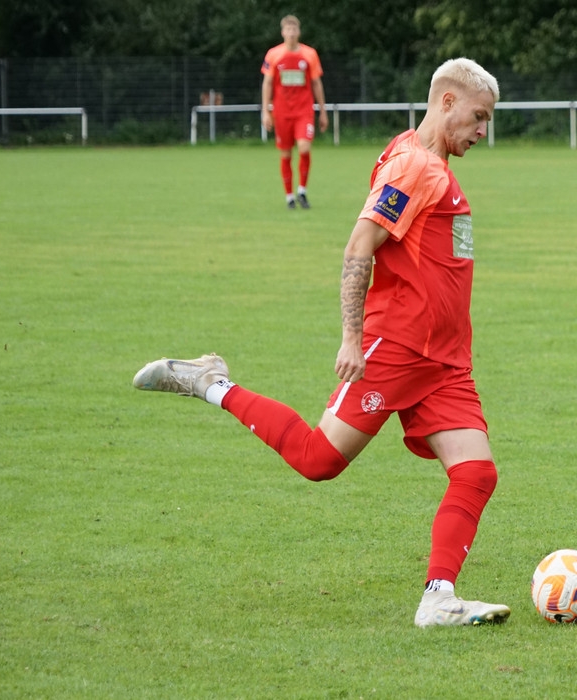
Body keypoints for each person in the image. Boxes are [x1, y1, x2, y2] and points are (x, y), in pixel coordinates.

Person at [134, 58, 506, 628]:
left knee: (476, 472)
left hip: (445, 361)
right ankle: (209, 381)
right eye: (479, 117)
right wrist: (353, 338)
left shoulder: (417, 156)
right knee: (318, 460)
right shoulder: (415, 166)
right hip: (400, 347)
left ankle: (438, 598)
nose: (483, 131)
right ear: (447, 102)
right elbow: (360, 247)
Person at [260, 14, 328, 209]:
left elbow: (316, 83)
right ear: (282, 32)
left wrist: (322, 111)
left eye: (294, 29)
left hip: (304, 111)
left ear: (298, 32)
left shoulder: (310, 54)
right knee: (286, 154)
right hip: (281, 112)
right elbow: (267, 84)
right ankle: (289, 196)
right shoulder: (273, 54)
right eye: (287, 29)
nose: (291, 32)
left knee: (304, 148)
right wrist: (265, 111)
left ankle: (302, 191)